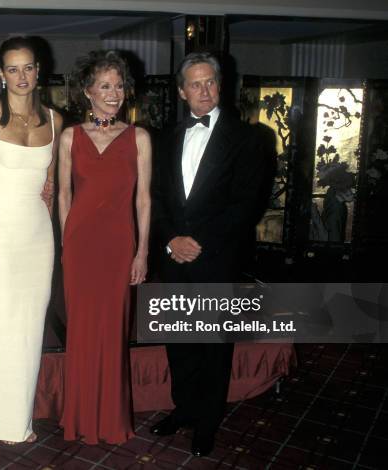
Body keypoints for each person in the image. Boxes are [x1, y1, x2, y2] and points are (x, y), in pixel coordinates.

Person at [150, 52, 267, 457]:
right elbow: (156, 198)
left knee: (213, 345)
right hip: (172, 257)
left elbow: (246, 204)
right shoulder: (164, 137)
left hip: (217, 257)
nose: (204, 90)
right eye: (195, 84)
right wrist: (170, 241)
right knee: (179, 340)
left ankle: (207, 421)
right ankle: (183, 409)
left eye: (210, 82)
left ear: (221, 85)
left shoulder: (251, 138)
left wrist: (196, 243)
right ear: (182, 91)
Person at [0, 37, 62, 444]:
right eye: (13, 68)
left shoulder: (56, 121)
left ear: (38, 71)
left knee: (30, 325)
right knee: (1, 323)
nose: (21, 76)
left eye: (28, 68)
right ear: (1, 74)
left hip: (38, 232)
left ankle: (21, 417)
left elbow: (53, 181)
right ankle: (3, 421)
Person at [58, 50, 152, 444]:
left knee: (113, 332)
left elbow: (144, 199)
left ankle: (110, 420)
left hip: (118, 246)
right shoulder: (70, 136)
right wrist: (66, 245)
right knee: (80, 331)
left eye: (119, 86)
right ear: (87, 90)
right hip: (80, 246)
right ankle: (78, 418)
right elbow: (63, 193)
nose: (113, 93)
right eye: (104, 86)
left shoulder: (139, 137)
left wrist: (142, 251)